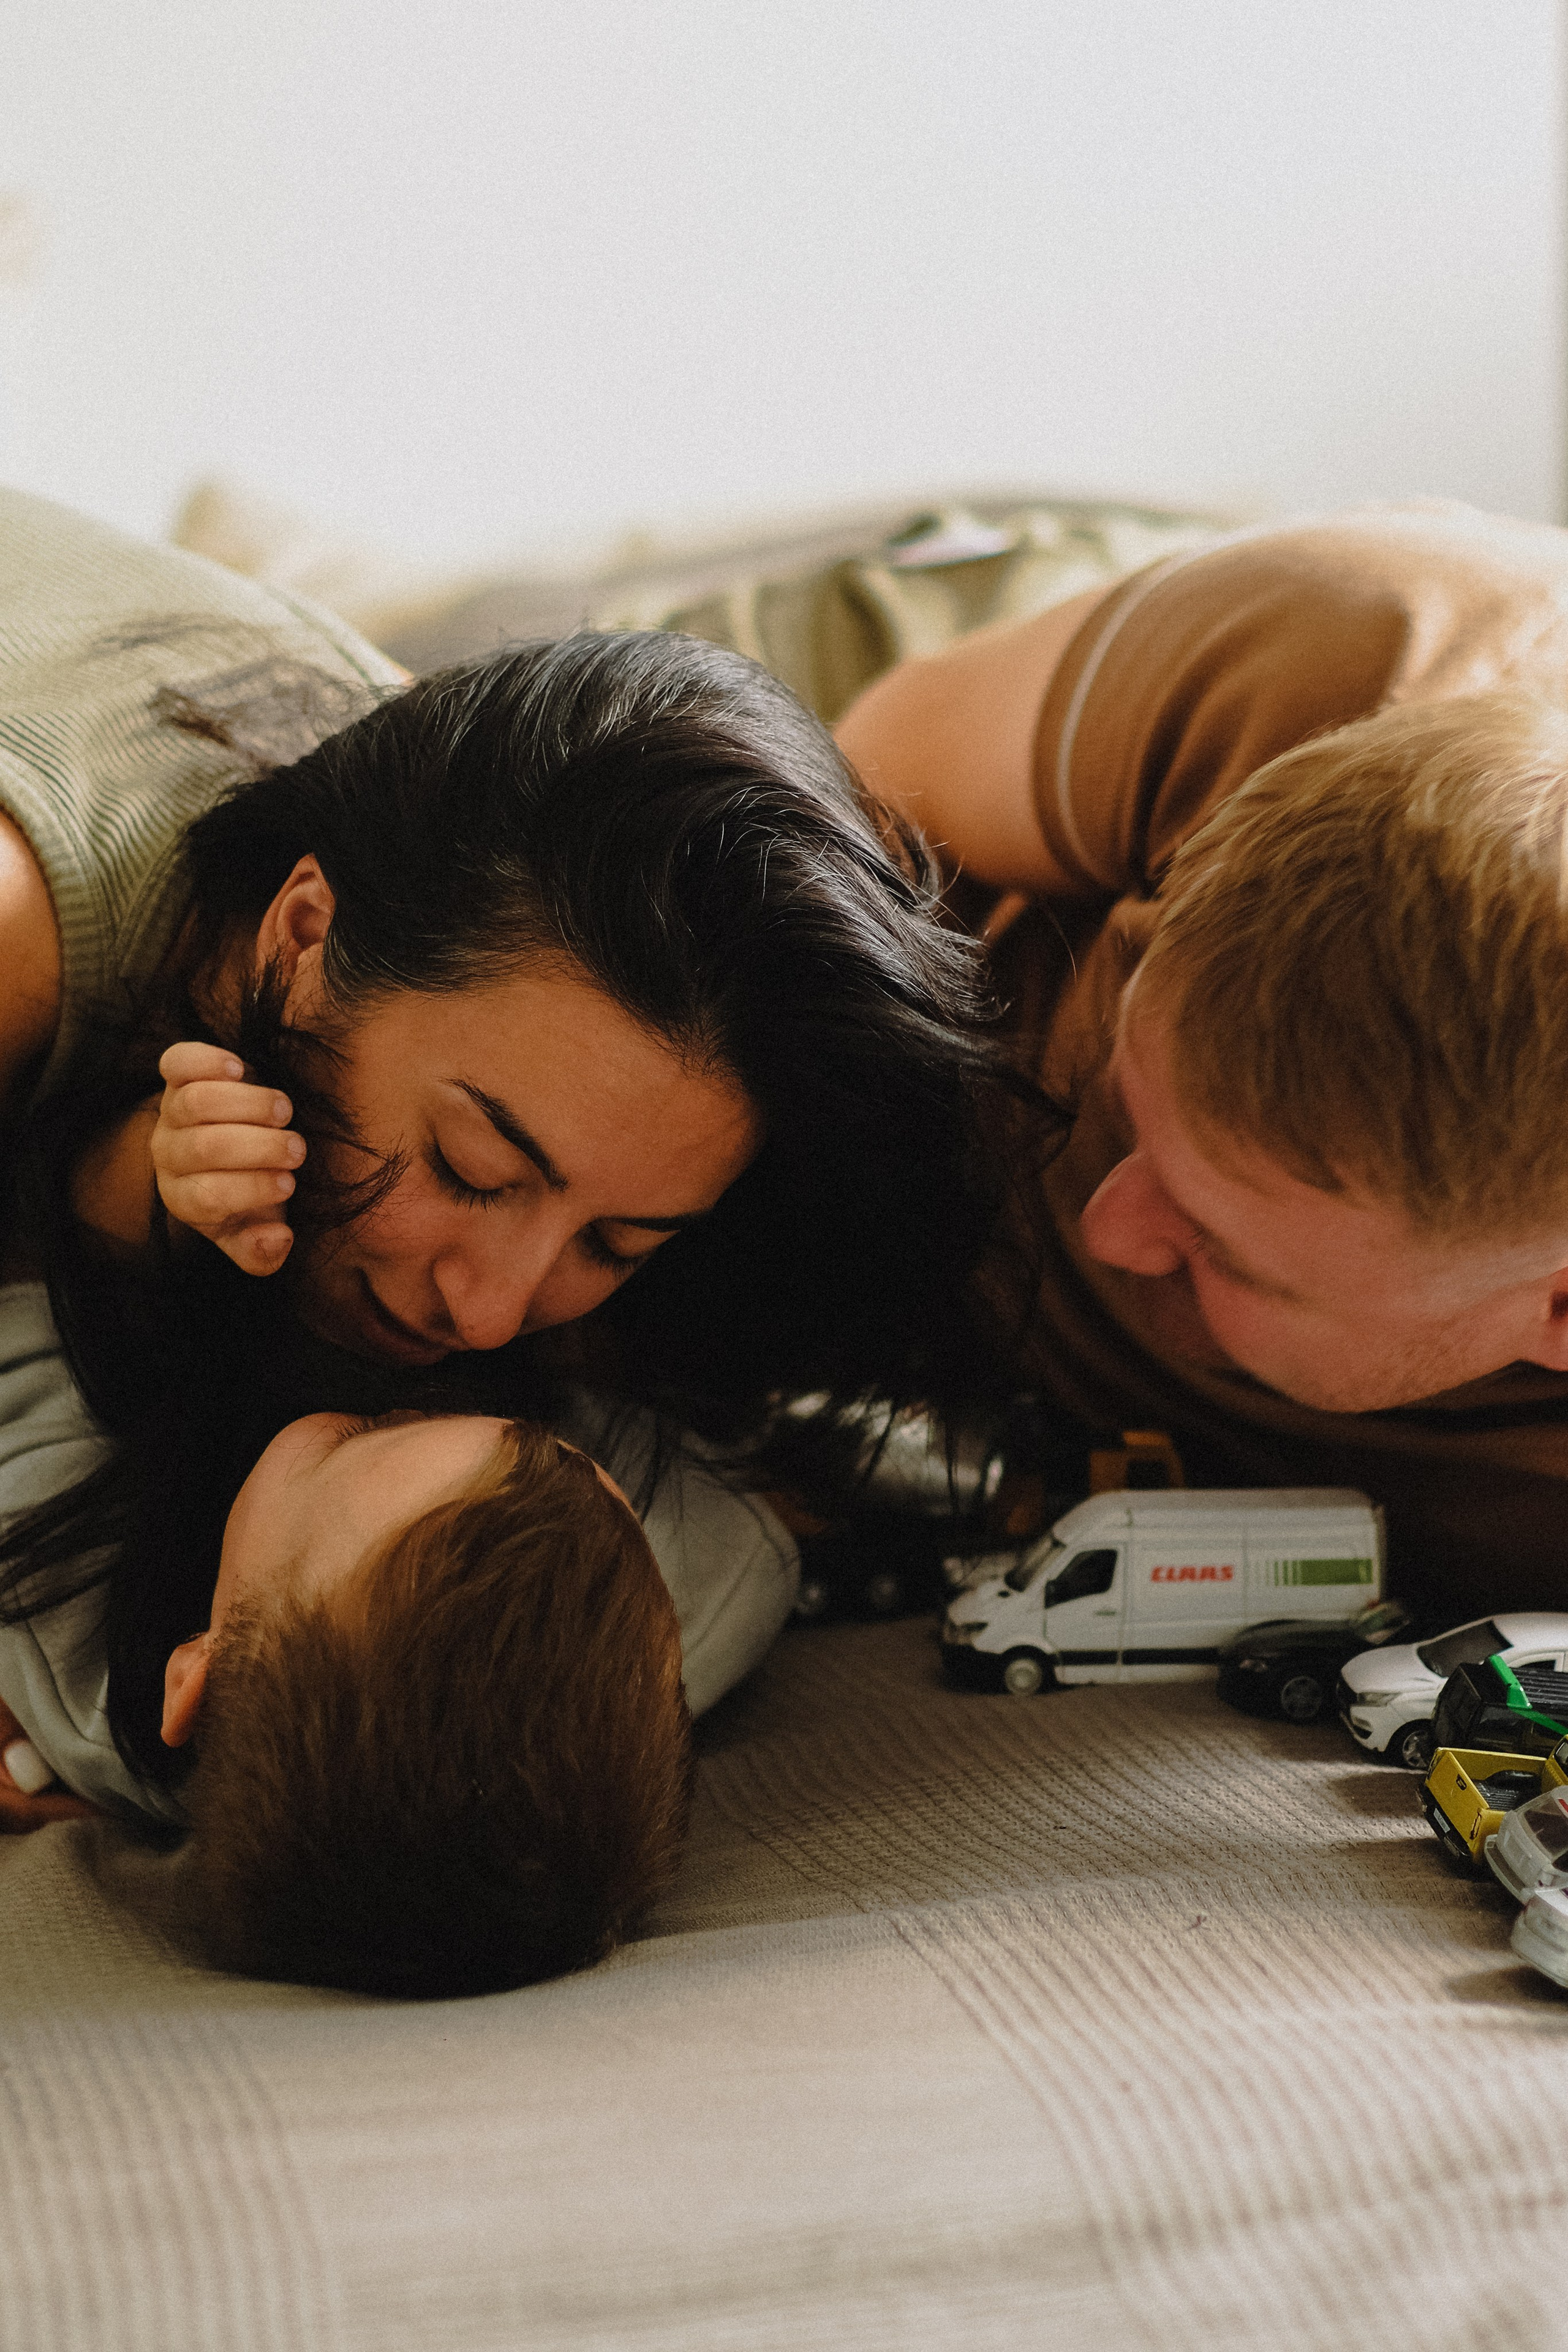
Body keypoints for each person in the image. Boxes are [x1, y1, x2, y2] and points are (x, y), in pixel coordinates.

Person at [836, 501, 1568, 1618]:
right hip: (1005, 782)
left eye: (1225, 1248)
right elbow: (857, 801)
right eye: (1131, 1109)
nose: (1108, 1226)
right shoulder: (1349, 656)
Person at [0, 1279, 695, 1997]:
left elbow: (27, 1323)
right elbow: (754, 1546)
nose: (440, 1377)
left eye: (365, 1433)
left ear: (193, 1682)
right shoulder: (640, 1644)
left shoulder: (52, 1625)